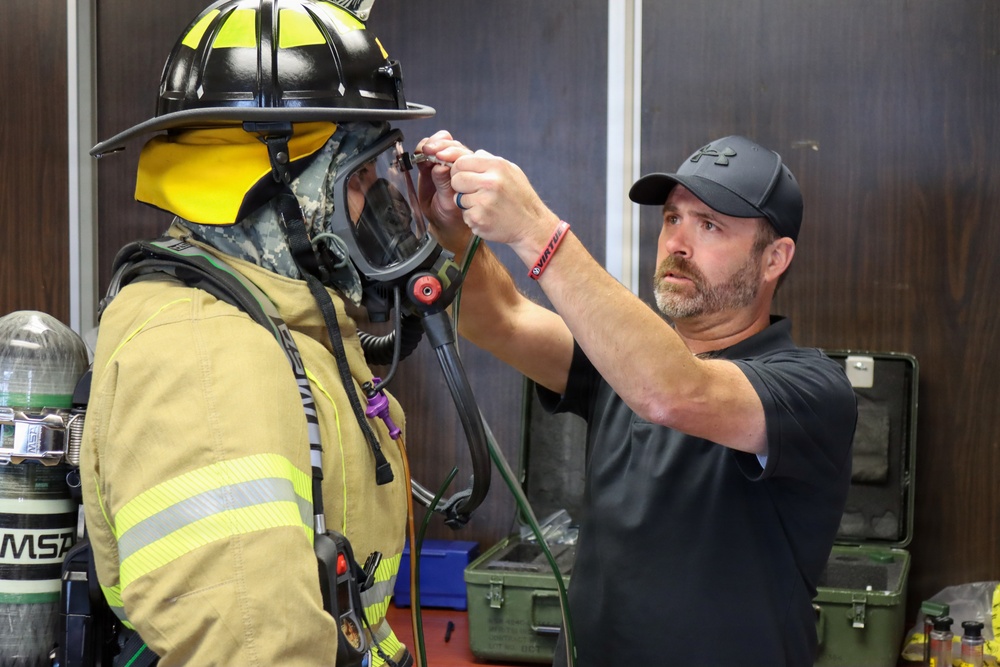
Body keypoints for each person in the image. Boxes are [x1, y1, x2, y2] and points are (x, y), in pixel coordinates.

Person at [79, 1, 438, 665]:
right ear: (283, 191)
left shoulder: (282, 318)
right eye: (360, 179)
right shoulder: (206, 360)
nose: (383, 208)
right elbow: (253, 643)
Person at [414, 131, 858, 666]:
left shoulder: (812, 390)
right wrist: (448, 229)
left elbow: (674, 391)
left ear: (774, 258)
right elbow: (502, 318)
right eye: (672, 218)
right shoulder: (620, 363)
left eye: (710, 225)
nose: (677, 243)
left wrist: (535, 229)